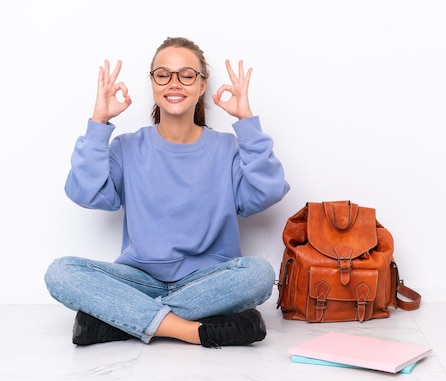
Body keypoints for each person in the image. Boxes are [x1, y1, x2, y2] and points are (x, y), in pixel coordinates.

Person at [44, 36, 290, 348]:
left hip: (207, 281)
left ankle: (120, 322)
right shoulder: (127, 147)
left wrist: (247, 122)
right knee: (61, 273)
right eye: (163, 74)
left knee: (258, 274)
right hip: (139, 281)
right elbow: (86, 193)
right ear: (153, 83)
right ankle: (189, 330)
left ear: (202, 86)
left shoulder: (227, 148)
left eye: (187, 75)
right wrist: (99, 121)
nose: (174, 83)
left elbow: (266, 192)